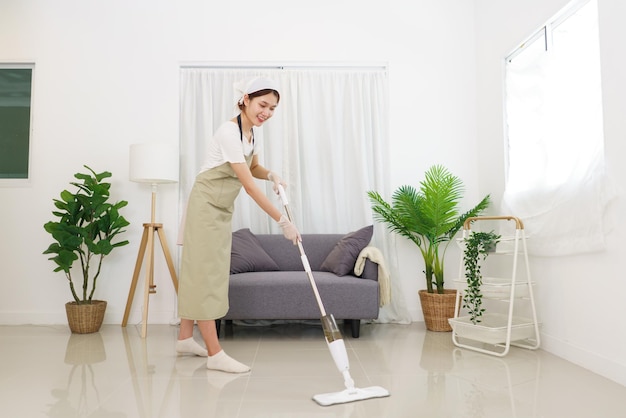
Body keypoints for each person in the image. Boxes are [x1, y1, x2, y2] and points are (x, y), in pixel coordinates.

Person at [175, 77, 301, 373]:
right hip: (205, 206)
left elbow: (253, 168)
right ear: (245, 99)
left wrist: (272, 175)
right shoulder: (228, 132)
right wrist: (282, 220)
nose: (267, 112)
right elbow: (248, 186)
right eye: (262, 105)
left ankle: (184, 339)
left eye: (272, 108)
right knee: (205, 276)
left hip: (219, 208)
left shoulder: (252, 133)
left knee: (203, 271)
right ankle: (214, 353)